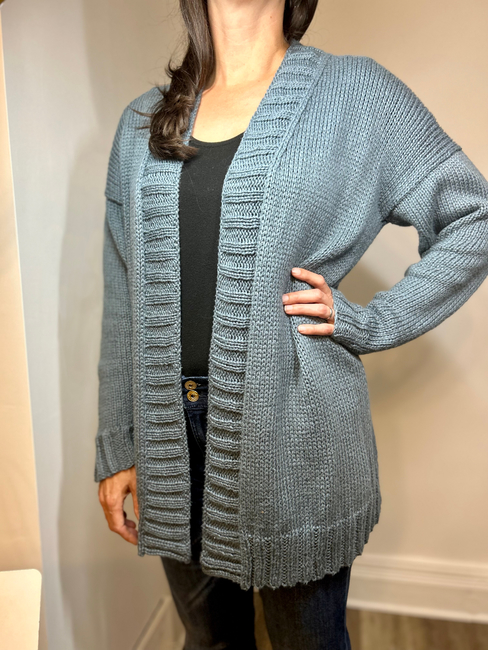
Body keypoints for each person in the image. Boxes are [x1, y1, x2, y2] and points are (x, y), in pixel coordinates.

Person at [94, 1, 488, 648]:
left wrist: (371, 321)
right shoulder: (143, 121)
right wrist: (119, 442)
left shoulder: (355, 95)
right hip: (170, 435)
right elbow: (124, 290)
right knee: (210, 641)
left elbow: (474, 216)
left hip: (295, 433)